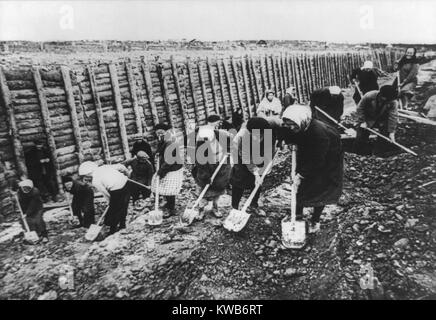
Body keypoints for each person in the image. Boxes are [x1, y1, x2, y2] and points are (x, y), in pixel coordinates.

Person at [281, 105, 343, 234]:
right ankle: (297, 216)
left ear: (302, 121)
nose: (291, 128)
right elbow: (287, 132)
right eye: (288, 125)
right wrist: (286, 140)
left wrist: (301, 175)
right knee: (300, 188)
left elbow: (317, 159)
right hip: (309, 154)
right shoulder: (299, 125)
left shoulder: (319, 133)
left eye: (293, 125)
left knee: (320, 190)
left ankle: (315, 220)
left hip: (327, 161)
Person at [230, 117, 280, 216]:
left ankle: (253, 205)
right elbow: (246, 157)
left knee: (258, 183)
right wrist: (255, 172)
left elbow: (270, 149)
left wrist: (264, 168)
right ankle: (234, 208)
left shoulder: (272, 126)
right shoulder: (243, 136)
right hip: (241, 155)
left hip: (260, 153)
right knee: (239, 181)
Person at [78, 161, 132, 235]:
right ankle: (122, 225)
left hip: (117, 189)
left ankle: (112, 230)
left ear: (88, 173)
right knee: (123, 206)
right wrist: (127, 174)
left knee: (114, 211)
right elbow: (121, 167)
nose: (86, 177)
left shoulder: (95, 180)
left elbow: (105, 193)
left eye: (85, 176)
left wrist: (110, 202)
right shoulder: (104, 167)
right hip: (127, 184)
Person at [191, 126, 232, 218]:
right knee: (203, 189)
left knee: (219, 188)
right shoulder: (200, 143)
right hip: (207, 166)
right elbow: (200, 163)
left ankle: (215, 207)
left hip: (222, 165)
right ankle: (201, 210)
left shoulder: (222, 134)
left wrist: (229, 150)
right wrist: (205, 176)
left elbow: (233, 140)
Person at [353, 85, 399, 155]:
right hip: (367, 118)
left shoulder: (393, 101)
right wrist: (362, 121)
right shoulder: (369, 96)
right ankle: (359, 153)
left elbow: (393, 116)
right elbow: (360, 109)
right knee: (361, 136)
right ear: (381, 95)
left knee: (385, 136)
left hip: (382, 120)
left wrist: (391, 132)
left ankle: (379, 153)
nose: (388, 101)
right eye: (385, 99)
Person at [151, 123, 184, 217]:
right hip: (167, 166)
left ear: (167, 132)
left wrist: (161, 171)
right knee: (160, 185)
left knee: (169, 189)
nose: (159, 135)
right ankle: (169, 204)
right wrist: (157, 153)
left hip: (173, 168)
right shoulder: (163, 140)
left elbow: (169, 160)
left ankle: (171, 209)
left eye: (161, 133)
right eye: (157, 133)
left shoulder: (170, 141)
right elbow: (161, 151)